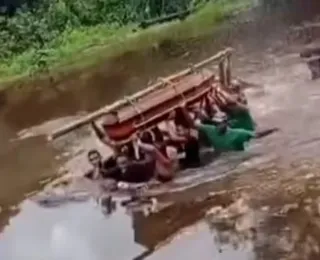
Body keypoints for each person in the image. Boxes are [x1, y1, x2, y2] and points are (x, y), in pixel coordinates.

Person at [180, 103, 255, 152]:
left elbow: (257, 135)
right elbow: (193, 124)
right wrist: (183, 108)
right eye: (218, 124)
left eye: (221, 123)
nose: (219, 125)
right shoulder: (211, 129)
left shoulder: (238, 132)